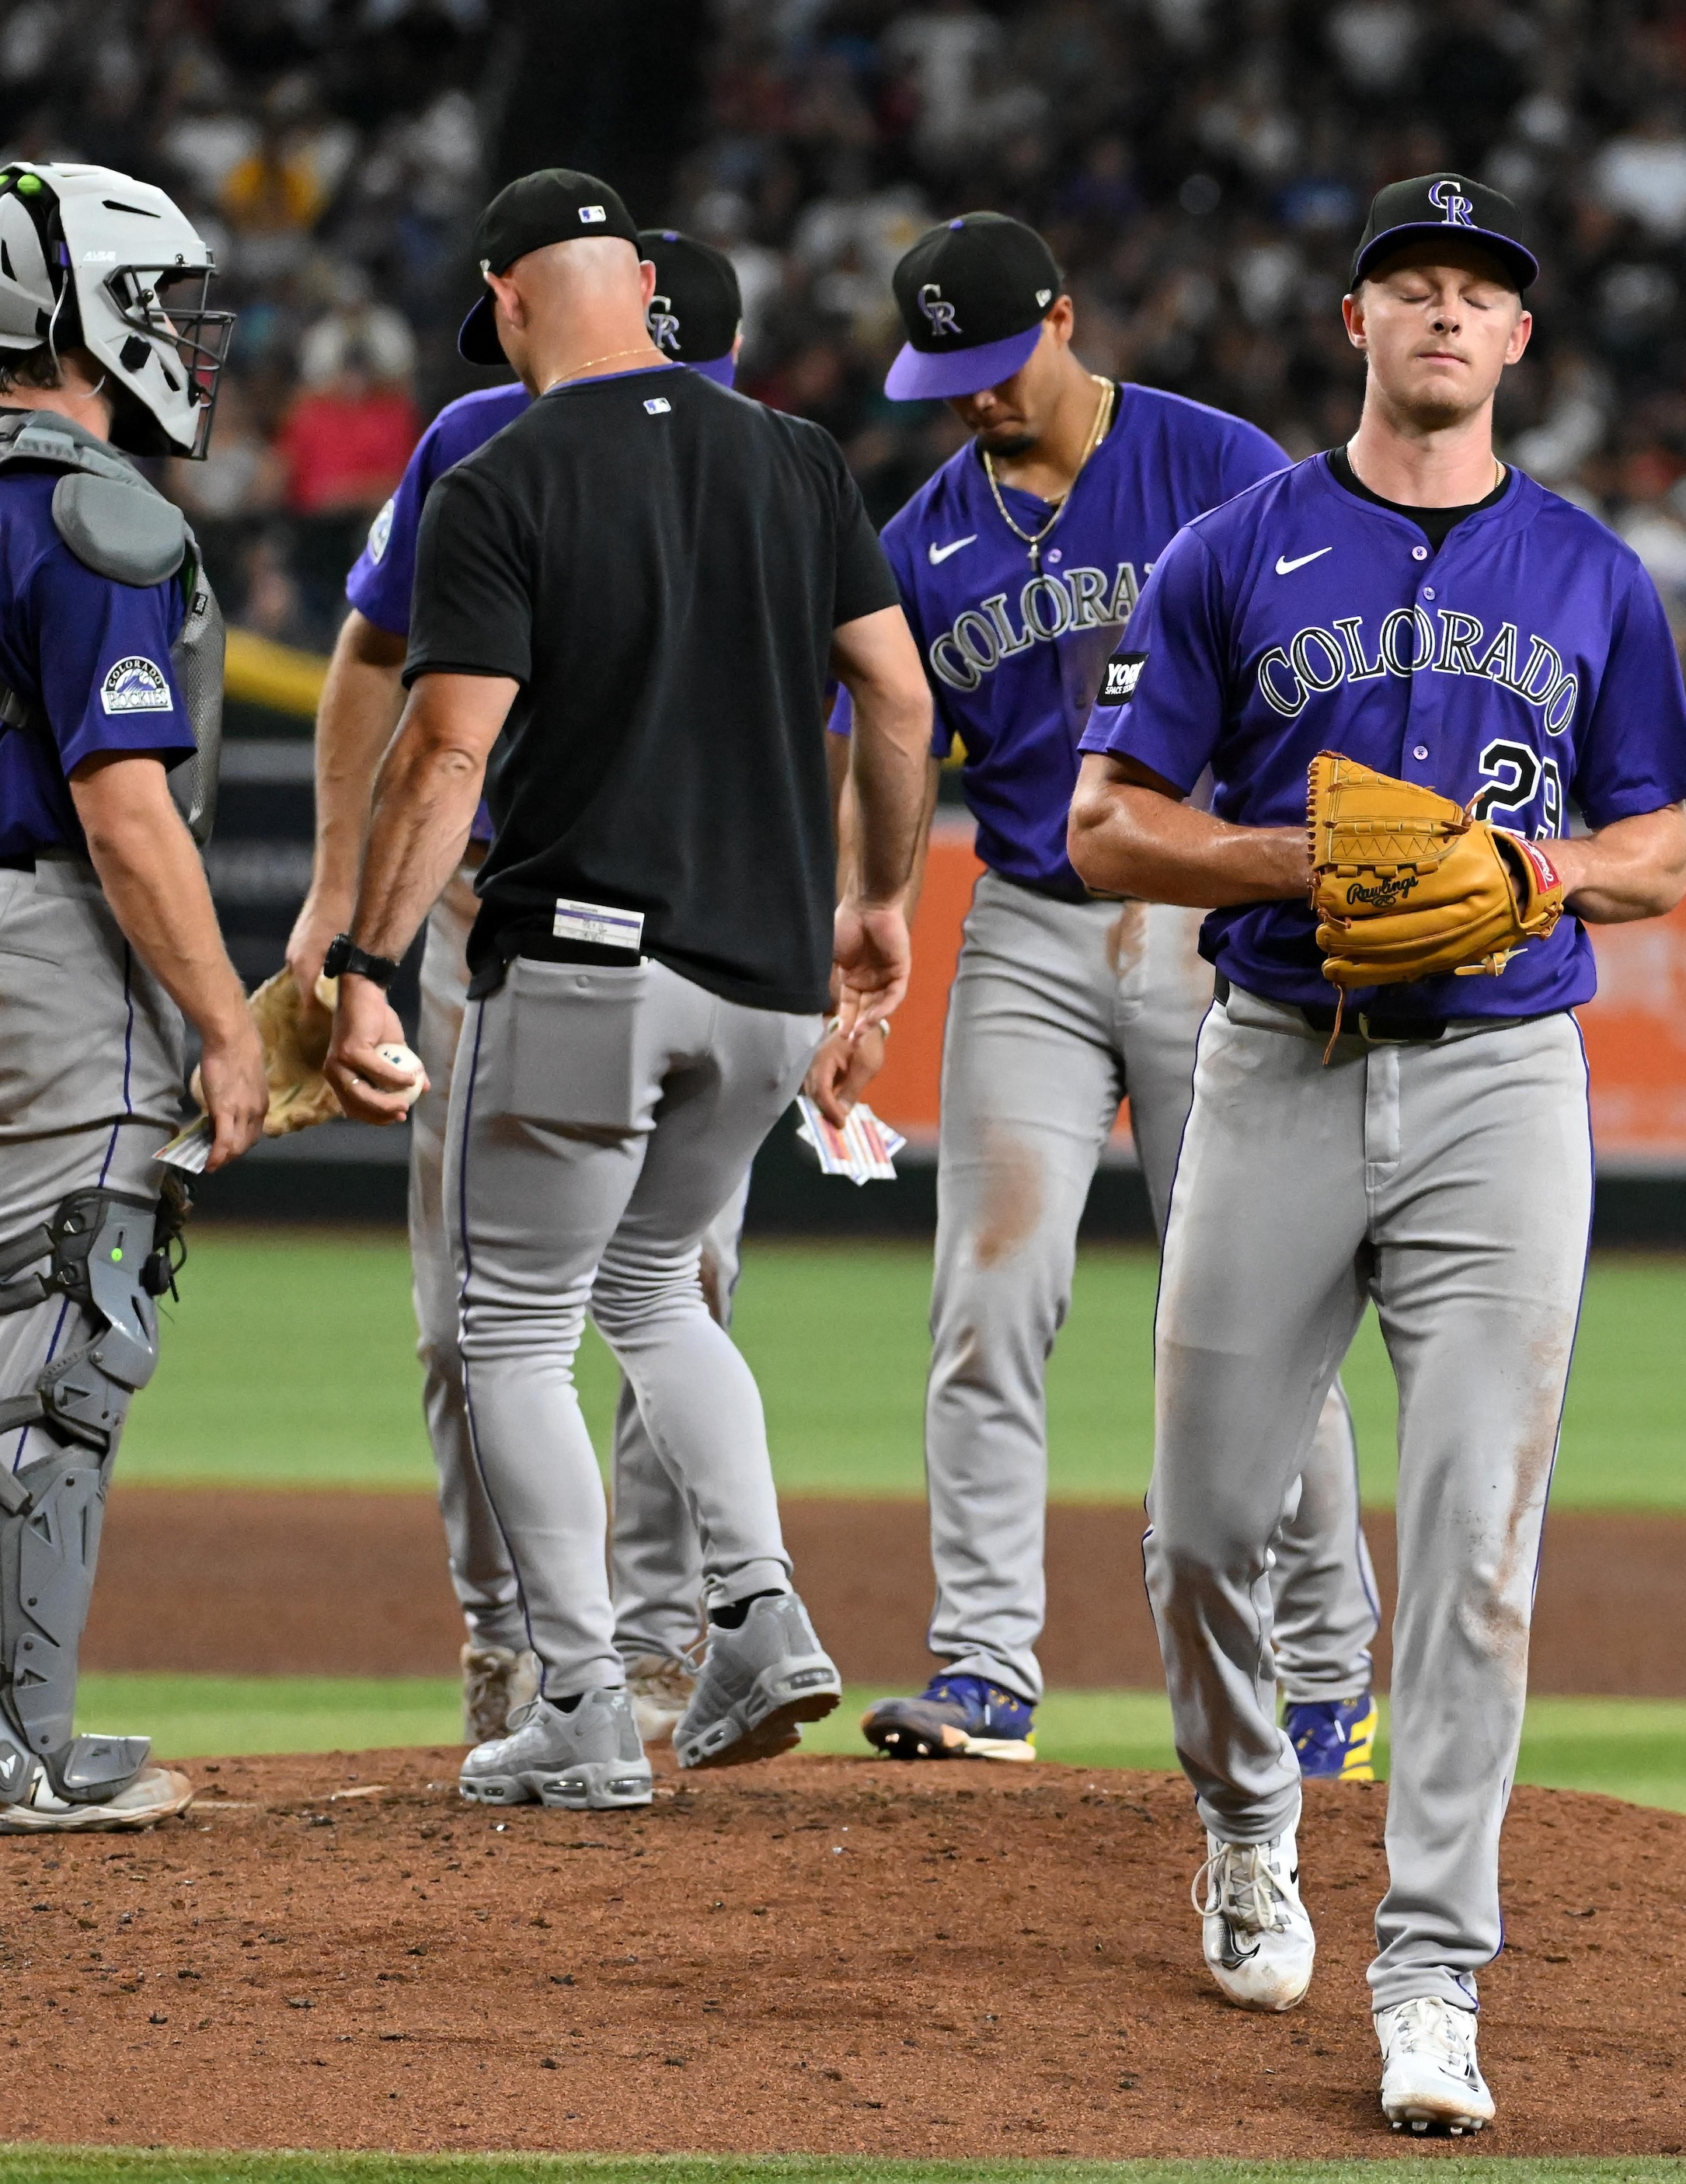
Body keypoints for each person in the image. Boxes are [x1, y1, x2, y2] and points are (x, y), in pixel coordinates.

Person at [1071, 172, 1686, 2137]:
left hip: (1507, 1085)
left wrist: (1537, 869)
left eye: (1478, 294)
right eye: (1411, 285)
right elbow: (1104, 826)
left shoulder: (1593, 573)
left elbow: (1661, 850)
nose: (1445, 315)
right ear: (1356, 321)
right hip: (1272, 1059)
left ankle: (1432, 1972)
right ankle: (1249, 1818)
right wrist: (1304, 853)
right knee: (1197, 1526)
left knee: (1476, 1548)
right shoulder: (1230, 549)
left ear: (1519, 342)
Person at [317, 170, 935, 1809]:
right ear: (650, 292)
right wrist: (876, 898)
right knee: (657, 1287)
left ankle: (582, 1701)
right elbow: (895, 694)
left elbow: (447, 744)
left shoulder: (502, 473)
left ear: (514, 300)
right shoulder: (798, 459)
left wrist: (369, 963)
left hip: (585, 964)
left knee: (510, 1329)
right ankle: (759, 1605)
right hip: (761, 984)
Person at [843, 212, 1382, 1776]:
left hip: (1204, 920)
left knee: (1260, 1311)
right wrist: (866, 908)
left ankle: (1328, 1674)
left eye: (997, 362)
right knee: (988, 1293)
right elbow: (884, 739)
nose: (974, 397)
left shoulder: (1212, 463)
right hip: (1026, 919)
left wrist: (1280, 868)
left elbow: (1323, 653)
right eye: (947, 373)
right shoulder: (925, 537)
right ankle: (985, 1665)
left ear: (1065, 318)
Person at [287, 232, 754, 1753]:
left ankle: (666, 1637)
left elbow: (841, 708)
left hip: (696, 926)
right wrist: (340, 889)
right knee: (461, 1321)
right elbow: (371, 658)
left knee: (671, 1295)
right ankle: (508, 1643)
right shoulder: (475, 443)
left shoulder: (756, 465)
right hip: (489, 916)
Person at [0, 160, 254, 1834]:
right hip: (48, 944)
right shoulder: (104, 514)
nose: (183, 342)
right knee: (61, 1339)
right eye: (155, 306)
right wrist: (226, 1020)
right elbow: (126, 807)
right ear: (71, 312)